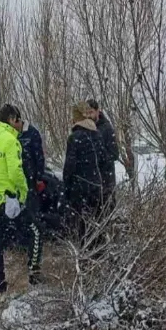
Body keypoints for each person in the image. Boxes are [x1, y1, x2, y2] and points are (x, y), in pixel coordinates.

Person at [0, 104, 43, 293]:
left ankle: (0, 285)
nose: (19, 125)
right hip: (10, 198)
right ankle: (34, 275)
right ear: (11, 119)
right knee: (37, 230)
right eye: (18, 121)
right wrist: (22, 193)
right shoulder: (10, 140)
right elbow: (16, 171)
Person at [63, 101, 106, 245]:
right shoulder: (97, 134)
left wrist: (67, 188)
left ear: (76, 118)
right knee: (97, 224)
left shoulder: (74, 138)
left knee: (81, 227)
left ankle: (83, 259)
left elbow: (70, 166)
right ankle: (99, 255)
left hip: (80, 187)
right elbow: (102, 158)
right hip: (96, 184)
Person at [86, 99, 119, 213]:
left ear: (97, 111)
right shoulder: (86, 129)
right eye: (87, 113)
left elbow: (114, 154)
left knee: (107, 211)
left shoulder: (106, 128)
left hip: (105, 179)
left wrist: (99, 157)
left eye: (91, 112)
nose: (89, 115)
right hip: (91, 180)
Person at [18, 118, 47, 216]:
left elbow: (39, 157)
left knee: (32, 210)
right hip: (18, 179)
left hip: (31, 178)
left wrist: (39, 177)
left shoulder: (32, 133)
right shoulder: (11, 134)